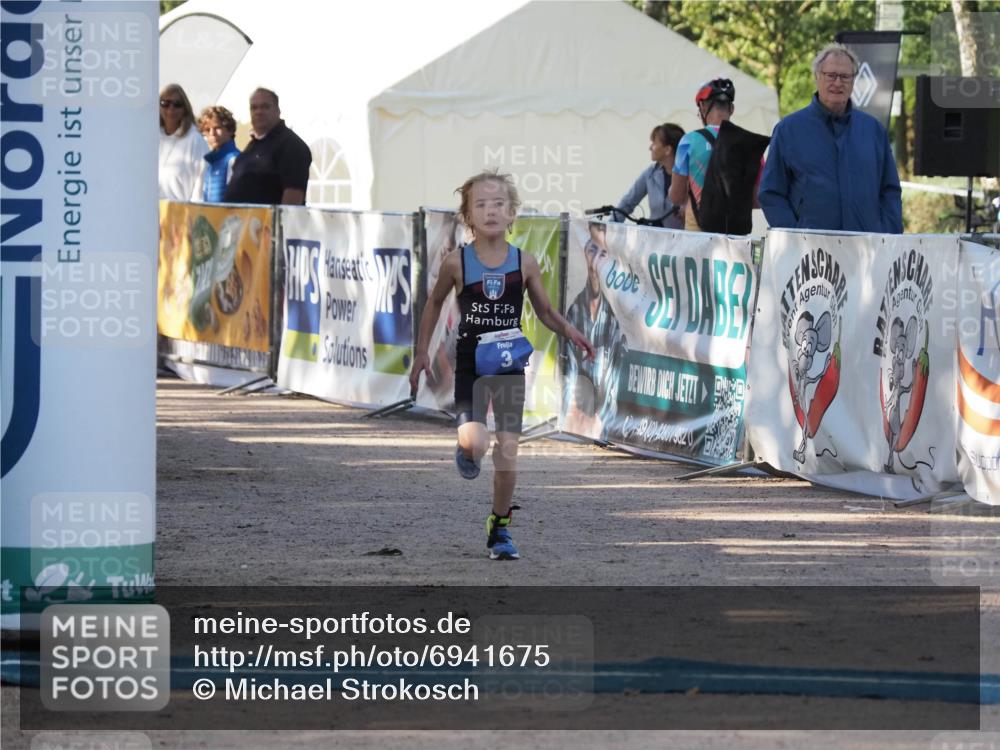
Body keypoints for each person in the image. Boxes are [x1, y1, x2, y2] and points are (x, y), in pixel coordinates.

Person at [409, 171, 595, 561]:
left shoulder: (524, 263)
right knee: (476, 442)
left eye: (498, 204)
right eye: (481, 205)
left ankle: (500, 529)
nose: (490, 211)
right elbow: (433, 304)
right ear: (467, 216)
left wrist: (571, 331)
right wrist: (422, 352)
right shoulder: (456, 263)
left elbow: (544, 310)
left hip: (509, 365)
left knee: (508, 451)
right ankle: (468, 449)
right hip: (470, 368)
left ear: (512, 214)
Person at [758, 43, 903, 233]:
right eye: (831, 75)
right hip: (811, 253)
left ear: (853, 81)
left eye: (845, 76)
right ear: (817, 77)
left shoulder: (873, 131)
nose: (838, 83)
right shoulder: (788, 130)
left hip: (867, 249)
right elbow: (771, 193)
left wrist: (887, 234)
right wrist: (794, 235)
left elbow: (890, 191)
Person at [669, 78, 760, 233]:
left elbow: (677, 196)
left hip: (699, 234)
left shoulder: (688, 142)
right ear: (731, 108)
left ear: (703, 107)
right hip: (735, 236)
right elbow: (757, 201)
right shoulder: (750, 143)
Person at [563, 222, 626, 438]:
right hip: (576, 422)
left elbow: (614, 387)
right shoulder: (575, 312)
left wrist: (602, 425)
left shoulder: (615, 321)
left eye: (603, 252)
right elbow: (567, 376)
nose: (595, 260)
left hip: (601, 425)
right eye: (591, 249)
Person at [223, 87, 312, 206]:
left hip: (267, 223)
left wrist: (280, 223)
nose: (258, 112)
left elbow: (292, 202)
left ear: (277, 110)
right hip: (237, 221)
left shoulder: (291, 145)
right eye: (254, 108)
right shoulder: (253, 146)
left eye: (265, 106)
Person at [615, 123, 685, 229]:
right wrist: (607, 229)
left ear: (667, 150)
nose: (650, 147)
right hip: (654, 241)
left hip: (684, 242)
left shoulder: (690, 175)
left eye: (654, 143)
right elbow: (628, 202)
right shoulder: (650, 173)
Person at [158, 83, 209, 201]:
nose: (171, 108)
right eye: (165, 103)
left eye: (177, 104)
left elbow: (201, 181)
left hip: (180, 214)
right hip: (150, 213)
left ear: (185, 109)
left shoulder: (195, 140)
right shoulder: (151, 137)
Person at [193, 106, 240, 203]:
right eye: (207, 130)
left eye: (217, 128)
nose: (212, 133)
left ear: (230, 130)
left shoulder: (234, 159)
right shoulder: (209, 162)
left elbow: (235, 200)